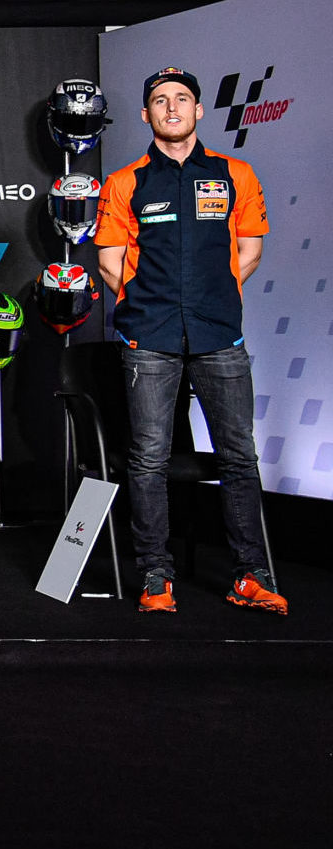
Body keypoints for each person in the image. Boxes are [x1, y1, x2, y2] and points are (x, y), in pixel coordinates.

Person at [95, 67, 285, 615]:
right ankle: (157, 577)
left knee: (239, 459)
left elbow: (248, 252)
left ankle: (251, 575)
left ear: (199, 111)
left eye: (182, 99)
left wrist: (209, 296)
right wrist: (151, 304)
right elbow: (110, 262)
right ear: (145, 115)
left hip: (219, 335)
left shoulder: (236, 175)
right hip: (148, 339)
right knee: (149, 459)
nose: (171, 108)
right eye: (160, 100)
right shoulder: (127, 181)